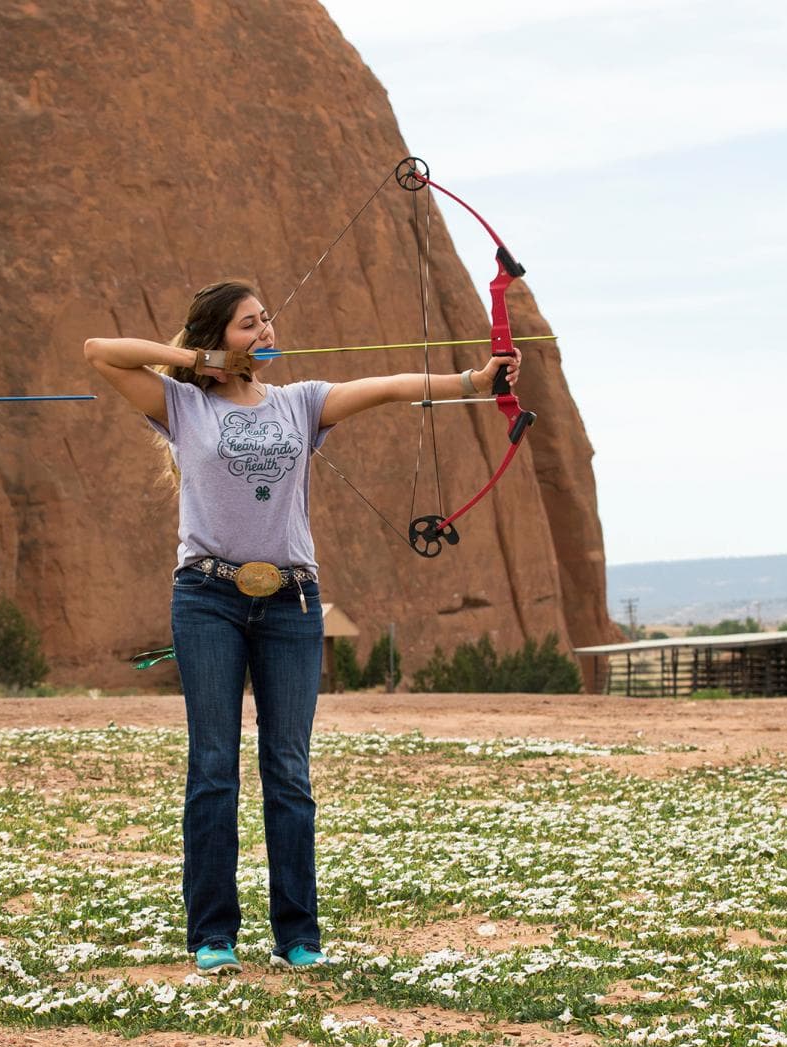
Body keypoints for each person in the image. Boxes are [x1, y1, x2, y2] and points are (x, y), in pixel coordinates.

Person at [83, 280, 520, 975]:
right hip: (208, 596)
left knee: (288, 770)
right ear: (217, 338)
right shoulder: (183, 404)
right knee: (213, 768)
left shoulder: (301, 401)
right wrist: (200, 367)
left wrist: (473, 378)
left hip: (291, 601)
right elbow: (100, 352)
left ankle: (297, 934)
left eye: (266, 320)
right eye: (249, 324)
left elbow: (387, 386)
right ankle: (212, 934)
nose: (265, 330)